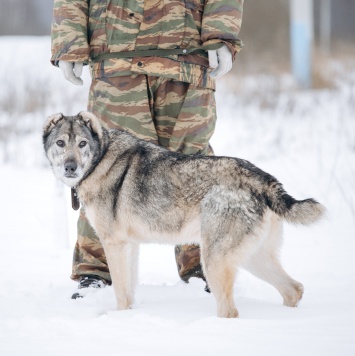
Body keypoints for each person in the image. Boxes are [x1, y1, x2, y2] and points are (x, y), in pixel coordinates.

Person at [51, 0, 244, 298]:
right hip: (116, 65)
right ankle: (96, 270)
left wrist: (222, 33)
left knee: (193, 169)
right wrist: (69, 42)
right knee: (103, 172)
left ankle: (203, 267)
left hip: (186, 62)